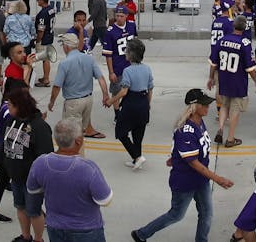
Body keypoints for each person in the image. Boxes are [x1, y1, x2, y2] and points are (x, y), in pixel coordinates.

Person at [131, 88, 233, 242]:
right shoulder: (186, 130)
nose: (208, 107)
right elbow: (194, 163)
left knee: (207, 213)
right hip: (186, 182)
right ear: (194, 106)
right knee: (176, 215)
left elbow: (181, 148)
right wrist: (218, 179)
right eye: (204, 104)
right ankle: (141, 234)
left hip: (201, 179)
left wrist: (174, 157)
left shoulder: (199, 121)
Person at [26, 118, 114, 242]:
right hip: (87, 230)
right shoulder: (88, 168)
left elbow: (32, 190)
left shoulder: (40, 163)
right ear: (78, 141)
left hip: (55, 227)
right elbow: (105, 200)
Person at [0, 86, 53, 242]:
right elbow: (5, 146)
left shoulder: (40, 127)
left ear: (20, 106)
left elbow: (45, 157)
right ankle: (25, 236)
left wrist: (40, 179)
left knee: (34, 211)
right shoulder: (12, 120)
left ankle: (38, 239)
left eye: (10, 104)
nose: (7, 107)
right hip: (15, 177)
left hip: (32, 180)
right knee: (20, 207)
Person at [208, 15, 256, 148]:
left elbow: (213, 62)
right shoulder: (245, 43)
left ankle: (220, 129)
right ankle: (230, 138)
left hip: (224, 78)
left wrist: (211, 77)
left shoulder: (222, 40)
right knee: (235, 109)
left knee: (224, 105)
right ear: (245, 27)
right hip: (238, 80)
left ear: (233, 25)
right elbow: (250, 67)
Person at [48, 33, 110, 140]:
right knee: (80, 132)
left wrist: (52, 102)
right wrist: (105, 95)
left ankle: (75, 155)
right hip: (88, 100)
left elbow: (57, 86)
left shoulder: (64, 63)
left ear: (66, 46)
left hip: (73, 102)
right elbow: (101, 78)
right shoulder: (89, 59)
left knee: (72, 136)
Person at [108, 37, 153, 169]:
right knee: (138, 133)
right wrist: (148, 104)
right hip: (143, 102)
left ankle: (137, 156)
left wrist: (111, 101)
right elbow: (150, 88)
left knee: (121, 132)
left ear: (131, 54)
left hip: (131, 103)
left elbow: (123, 92)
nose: (125, 53)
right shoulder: (147, 69)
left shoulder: (127, 71)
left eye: (126, 51)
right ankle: (136, 160)